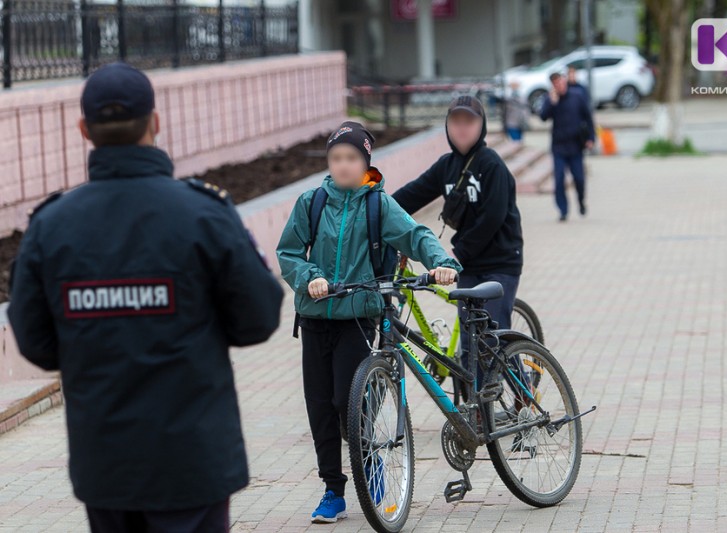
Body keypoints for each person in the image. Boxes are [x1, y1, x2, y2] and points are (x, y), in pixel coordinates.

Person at [7, 62, 284, 533]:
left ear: (84, 130)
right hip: (193, 463)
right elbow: (258, 318)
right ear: (155, 123)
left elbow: (35, 342)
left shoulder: (51, 226)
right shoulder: (203, 213)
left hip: (106, 464)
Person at [276, 120, 461, 524]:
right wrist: (310, 278)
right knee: (320, 409)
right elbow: (288, 253)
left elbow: (415, 236)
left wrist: (443, 263)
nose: (342, 166)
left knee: (349, 401)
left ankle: (372, 466)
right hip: (313, 318)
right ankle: (332, 491)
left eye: (351, 158)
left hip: (358, 318)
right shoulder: (312, 202)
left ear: (365, 161)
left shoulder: (379, 205)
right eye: (336, 158)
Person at [392, 96, 524, 374]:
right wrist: (375, 212)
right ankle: (475, 415)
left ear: (482, 126)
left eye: (469, 122)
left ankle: (522, 396)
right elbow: (412, 195)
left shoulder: (492, 166)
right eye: (456, 122)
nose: (462, 128)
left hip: (500, 263)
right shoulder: (447, 165)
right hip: (469, 265)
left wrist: (456, 254)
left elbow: (493, 218)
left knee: (491, 339)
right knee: (470, 344)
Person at [540, 72, 595, 222]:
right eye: (557, 84)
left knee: (579, 179)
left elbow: (588, 117)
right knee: (558, 180)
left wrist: (591, 138)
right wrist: (552, 102)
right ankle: (563, 210)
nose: (560, 86)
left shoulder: (577, 96)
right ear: (553, 86)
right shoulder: (550, 99)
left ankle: (581, 201)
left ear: (565, 81)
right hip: (558, 147)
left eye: (562, 82)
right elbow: (543, 117)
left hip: (576, 146)